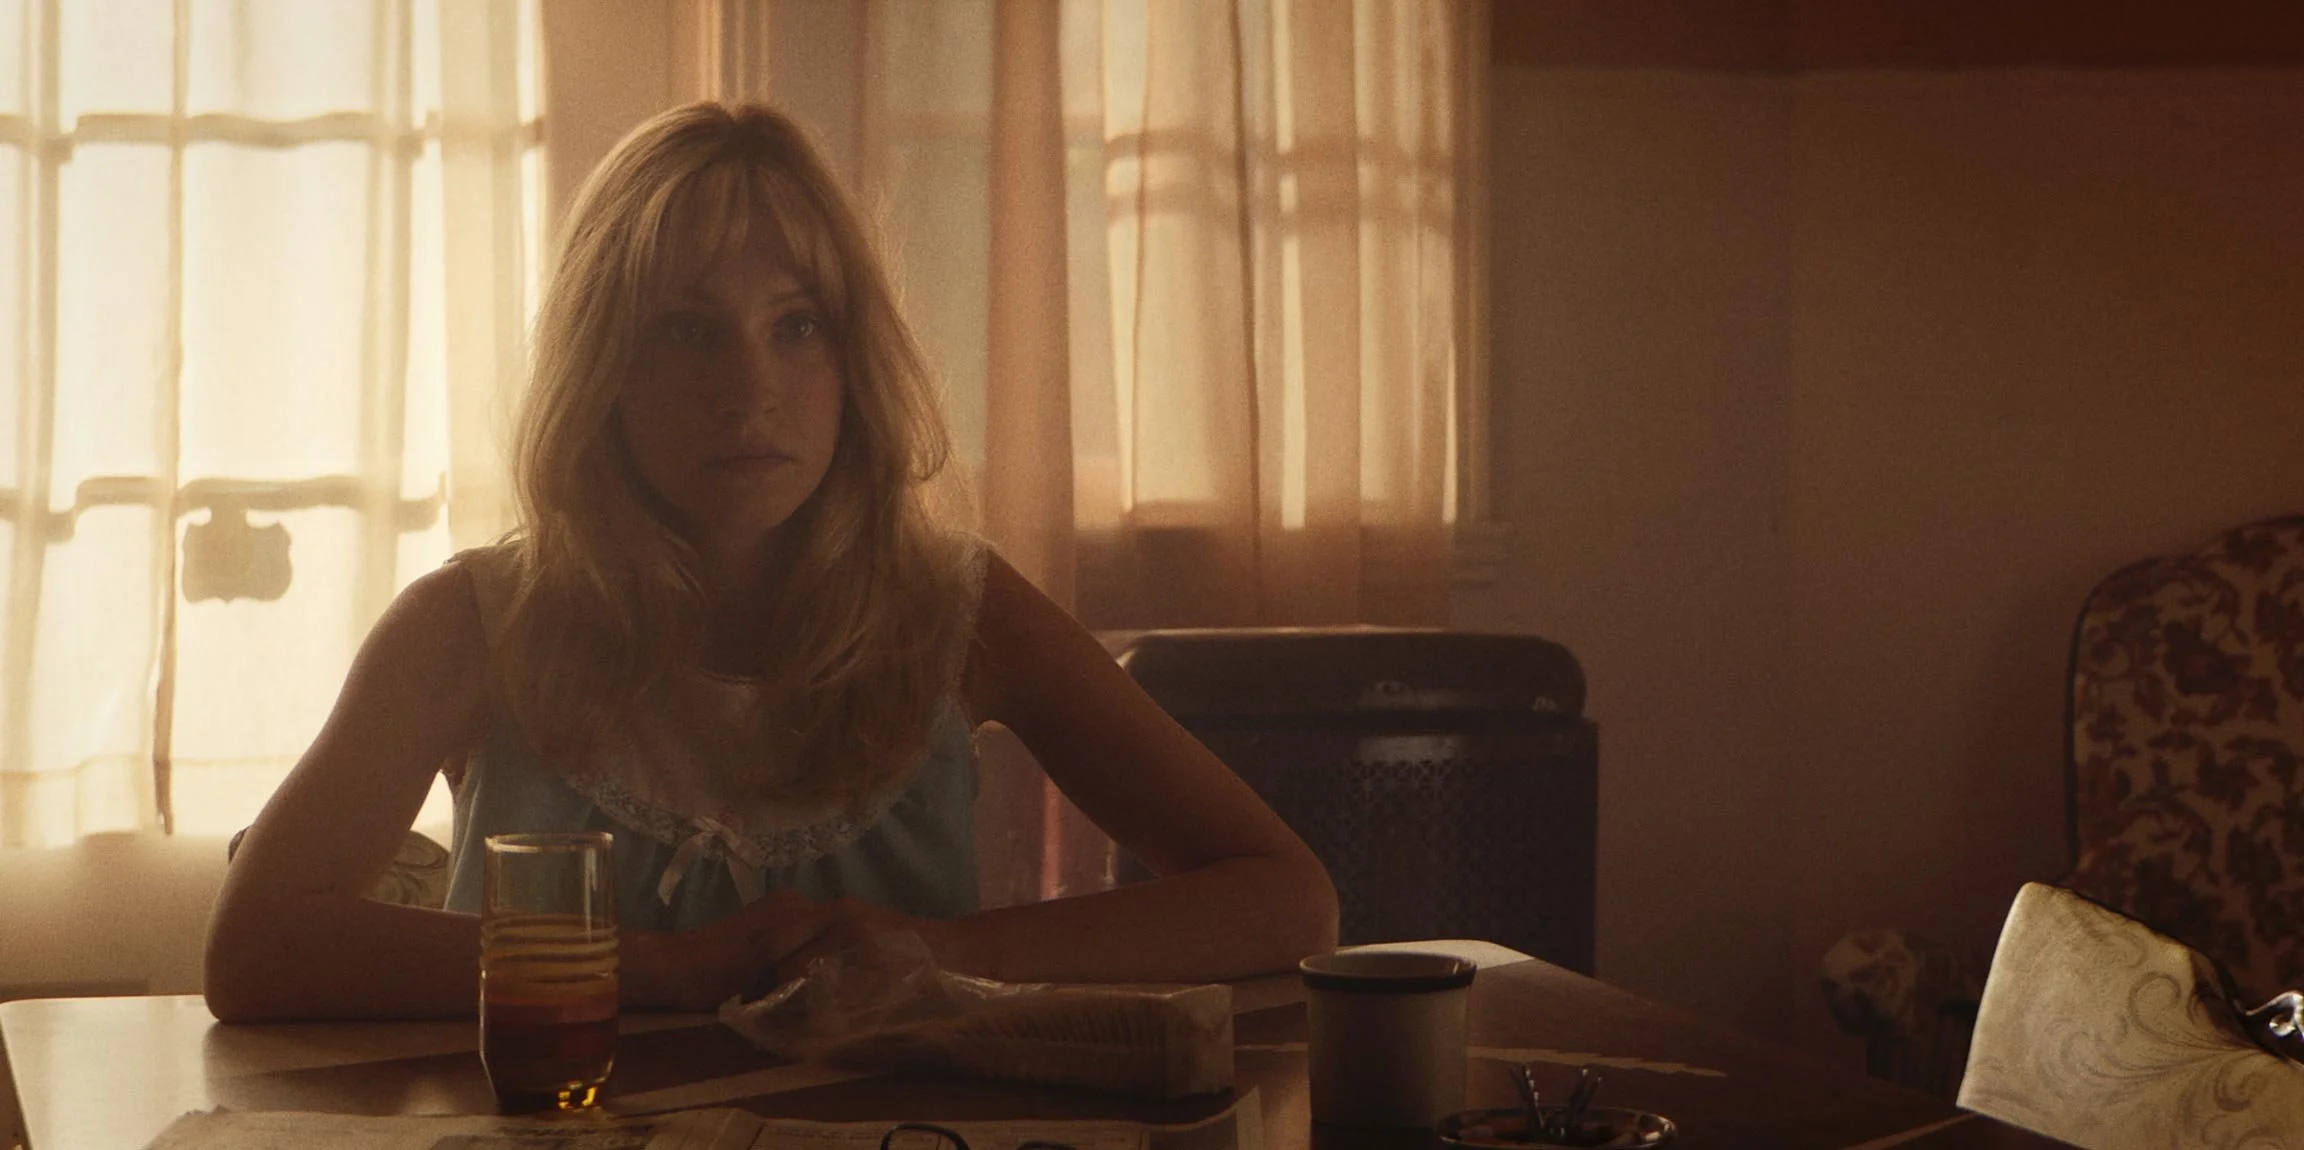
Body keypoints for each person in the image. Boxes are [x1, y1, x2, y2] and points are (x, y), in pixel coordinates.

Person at [204, 102, 1338, 1021]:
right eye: (687, 330)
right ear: (603, 370)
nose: (749, 388)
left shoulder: (960, 611)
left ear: (856, 361)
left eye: (797, 324)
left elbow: (1287, 900)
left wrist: (945, 949)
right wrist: (654, 969)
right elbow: (255, 949)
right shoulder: (478, 622)